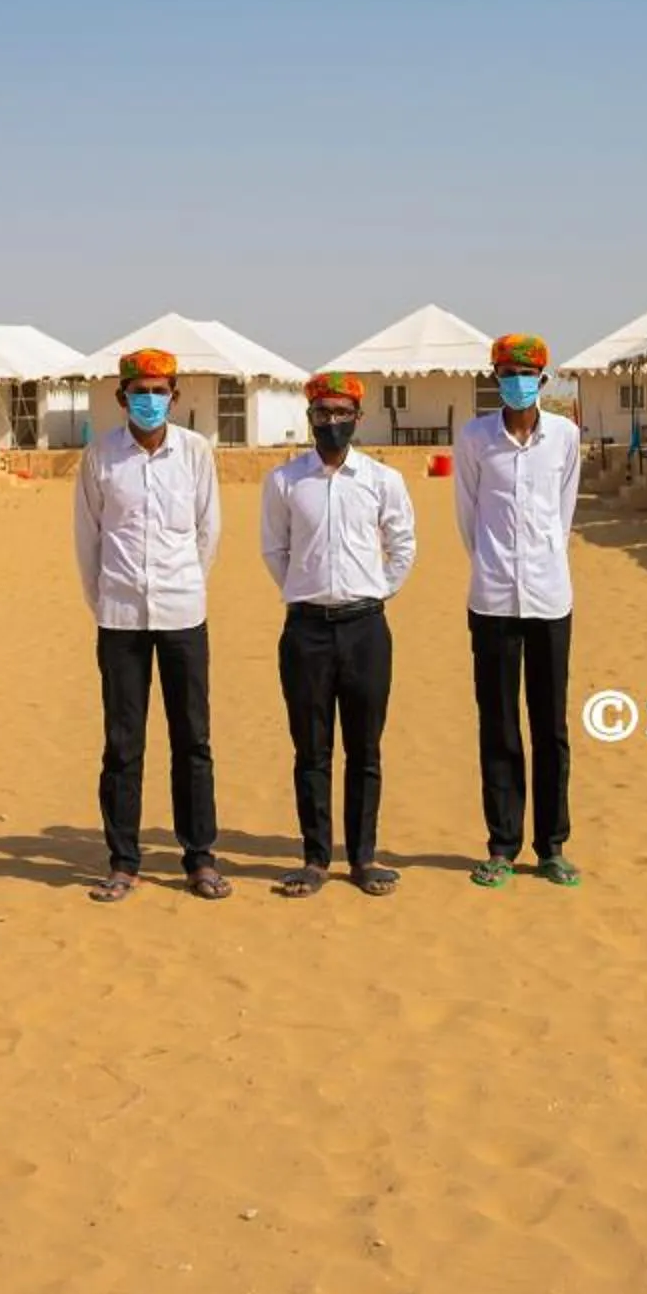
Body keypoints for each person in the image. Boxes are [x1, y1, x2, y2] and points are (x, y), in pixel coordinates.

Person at [72, 347, 228, 903]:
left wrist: (184, 582)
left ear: (175, 397)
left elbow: (208, 531)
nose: (150, 400)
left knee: (194, 739)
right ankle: (123, 860)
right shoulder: (100, 458)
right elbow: (87, 542)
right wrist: (107, 602)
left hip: (184, 612)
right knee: (122, 743)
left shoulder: (195, 454)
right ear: (121, 398)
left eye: (160, 391)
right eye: (139, 391)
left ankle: (200, 857)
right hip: (120, 618)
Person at [259, 371, 417, 898]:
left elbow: (403, 545)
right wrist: (307, 592)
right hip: (305, 631)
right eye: (322, 414)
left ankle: (364, 858)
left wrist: (373, 591)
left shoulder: (381, 480)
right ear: (309, 418)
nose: (331, 422)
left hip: (366, 628)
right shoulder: (285, 482)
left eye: (341, 413)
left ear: (357, 417)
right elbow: (274, 551)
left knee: (365, 750)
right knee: (311, 750)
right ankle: (315, 857)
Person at [455, 332, 584, 888]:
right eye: (505, 372)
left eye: (525, 373)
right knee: (499, 724)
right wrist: (494, 563)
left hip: (551, 598)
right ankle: (502, 843)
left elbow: (565, 511)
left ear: (542, 380)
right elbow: (467, 516)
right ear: (494, 378)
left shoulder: (565, 437)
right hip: (493, 600)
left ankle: (551, 845)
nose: (515, 382)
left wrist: (542, 560)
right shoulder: (475, 438)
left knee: (549, 725)